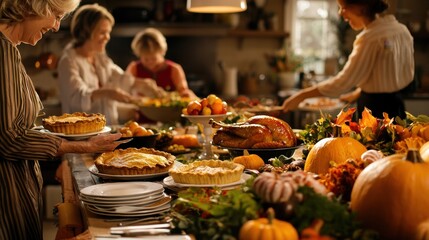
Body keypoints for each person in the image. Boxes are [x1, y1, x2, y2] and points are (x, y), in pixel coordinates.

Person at [0, 1, 128, 239]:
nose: (57, 26)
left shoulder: (10, 49)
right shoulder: (3, 50)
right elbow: (9, 138)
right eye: (57, 15)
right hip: (8, 191)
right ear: (34, 7)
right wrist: (83, 146)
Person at [282, 0, 414, 120]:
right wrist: (358, 92)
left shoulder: (370, 38)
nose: (340, 13)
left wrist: (301, 96)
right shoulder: (402, 31)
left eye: (343, 7)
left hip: (375, 111)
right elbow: (384, 73)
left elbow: (343, 82)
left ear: (361, 7)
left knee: (373, 146)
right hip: (398, 107)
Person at [58, 4, 166, 125]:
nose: (107, 37)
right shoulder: (68, 61)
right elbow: (76, 98)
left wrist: (142, 84)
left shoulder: (100, 57)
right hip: (80, 133)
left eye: (108, 32)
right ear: (86, 32)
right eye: (103, 32)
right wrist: (109, 92)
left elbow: (119, 77)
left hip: (107, 129)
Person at [126, 28, 197, 99]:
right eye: (146, 59)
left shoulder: (174, 69)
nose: (150, 62)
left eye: (154, 58)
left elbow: (184, 93)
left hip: (169, 110)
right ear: (139, 55)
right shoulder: (133, 68)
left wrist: (186, 95)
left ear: (162, 52)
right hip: (138, 110)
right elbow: (125, 91)